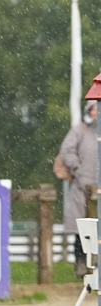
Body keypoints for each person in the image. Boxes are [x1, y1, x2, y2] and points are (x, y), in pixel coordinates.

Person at [58, 101, 98, 277]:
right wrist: (77, 169)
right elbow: (67, 151)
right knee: (81, 230)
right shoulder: (80, 131)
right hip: (83, 188)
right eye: (94, 108)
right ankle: (81, 264)